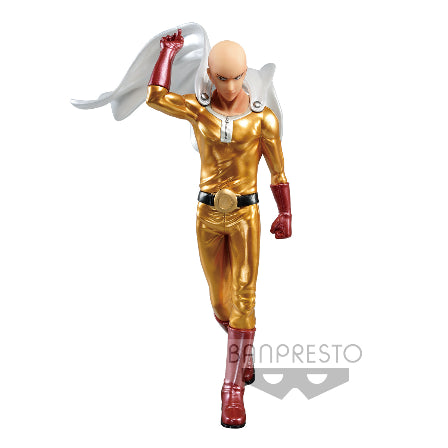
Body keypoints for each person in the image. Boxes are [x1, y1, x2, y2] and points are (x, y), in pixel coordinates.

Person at [146, 29, 292, 428]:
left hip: (246, 215)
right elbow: (155, 97)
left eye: (238, 77)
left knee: (245, 298)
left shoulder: (262, 118)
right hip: (208, 214)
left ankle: (232, 390)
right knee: (221, 304)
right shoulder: (200, 110)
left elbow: (278, 171)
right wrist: (168, 52)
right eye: (223, 78)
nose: (230, 87)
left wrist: (286, 213)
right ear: (210, 74)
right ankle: (243, 352)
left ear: (246, 74)